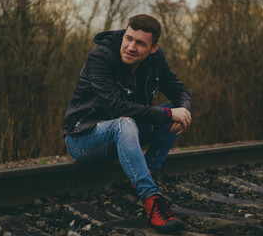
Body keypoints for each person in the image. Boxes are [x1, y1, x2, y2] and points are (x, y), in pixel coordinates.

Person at [62, 14, 192, 233]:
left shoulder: (156, 59)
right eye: (128, 38)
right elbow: (117, 108)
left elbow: (180, 91)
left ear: (153, 48)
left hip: (125, 131)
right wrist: (169, 114)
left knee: (178, 112)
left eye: (140, 43)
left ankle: (143, 176)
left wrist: (184, 110)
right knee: (133, 120)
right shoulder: (100, 57)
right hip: (83, 137)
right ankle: (151, 200)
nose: (131, 47)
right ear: (123, 34)